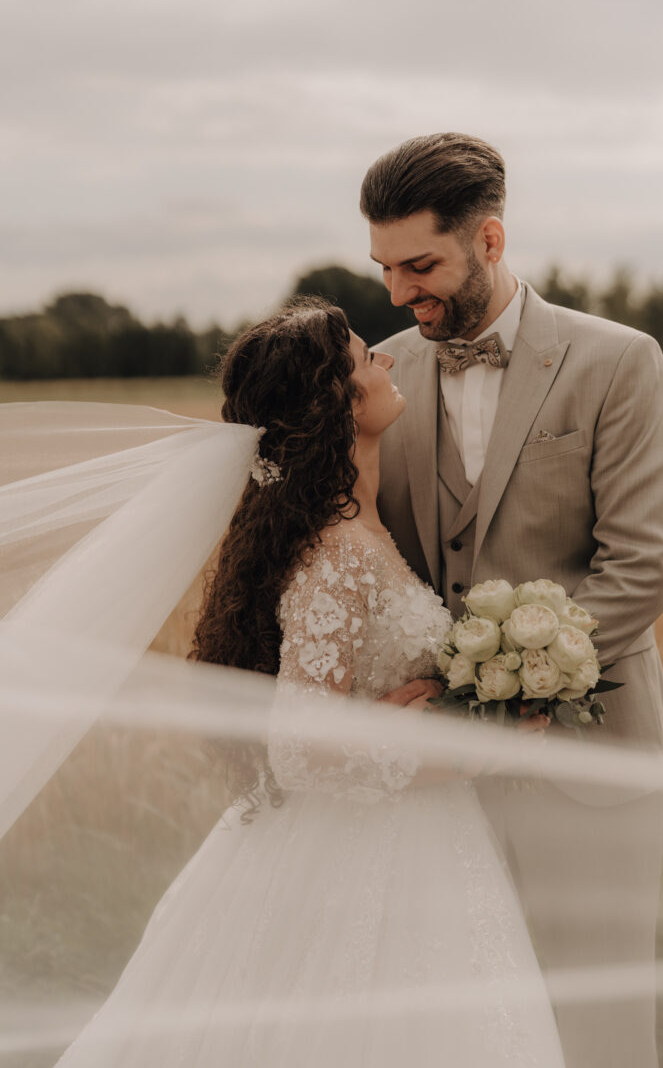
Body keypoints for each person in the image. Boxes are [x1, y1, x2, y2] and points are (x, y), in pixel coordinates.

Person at [36, 299, 565, 1068]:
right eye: (363, 359)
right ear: (335, 403)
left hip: (406, 831)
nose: (385, 361)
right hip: (366, 851)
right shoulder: (340, 550)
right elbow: (303, 751)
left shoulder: (356, 526)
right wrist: (476, 751)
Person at [364, 132, 663, 1068]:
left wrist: (493, 698)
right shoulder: (376, 376)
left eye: (420, 264)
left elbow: (639, 571)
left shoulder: (617, 362)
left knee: (598, 1029)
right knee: (461, 1030)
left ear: (490, 242)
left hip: (593, 771)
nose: (397, 293)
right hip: (431, 792)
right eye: (382, 268)